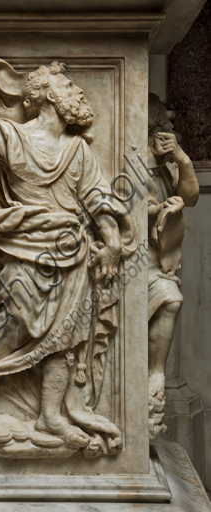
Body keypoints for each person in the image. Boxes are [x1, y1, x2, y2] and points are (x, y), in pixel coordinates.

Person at [0, 55, 137, 449]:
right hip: (28, 249)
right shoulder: (11, 137)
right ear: (44, 95)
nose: (78, 91)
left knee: (64, 339)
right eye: (68, 87)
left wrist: (113, 240)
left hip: (73, 255)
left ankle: (50, 417)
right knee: (13, 319)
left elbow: (97, 197)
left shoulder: (76, 149)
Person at [147, 93, 199, 436]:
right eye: (159, 123)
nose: (165, 127)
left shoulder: (166, 162)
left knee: (172, 298)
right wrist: (152, 210)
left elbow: (192, 197)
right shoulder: (129, 160)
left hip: (155, 259)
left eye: (165, 123)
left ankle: (155, 374)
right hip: (124, 255)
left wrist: (181, 158)